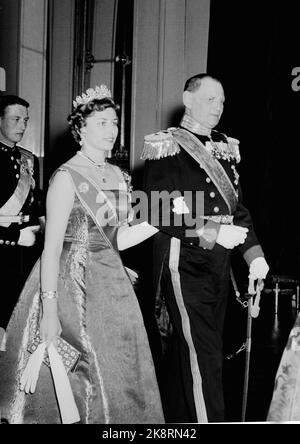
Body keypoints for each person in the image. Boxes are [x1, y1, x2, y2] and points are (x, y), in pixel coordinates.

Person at [0, 85, 164, 424]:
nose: (111, 130)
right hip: (70, 284)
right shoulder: (65, 177)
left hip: (113, 286)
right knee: (83, 374)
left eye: (114, 122)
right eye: (101, 122)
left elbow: (119, 238)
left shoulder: (118, 175)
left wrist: (162, 223)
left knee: (121, 367)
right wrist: (49, 309)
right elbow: (50, 247)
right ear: (81, 128)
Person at [141, 73, 270, 423]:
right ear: (188, 99)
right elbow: (154, 208)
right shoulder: (167, 145)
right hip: (185, 265)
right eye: (211, 99)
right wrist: (212, 230)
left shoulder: (224, 147)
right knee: (205, 359)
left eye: (222, 101)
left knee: (191, 357)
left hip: (218, 267)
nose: (219, 107)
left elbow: (237, 210)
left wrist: (254, 256)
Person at [0, 95, 44, 349]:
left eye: (25, 120)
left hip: (26, 254)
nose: (22, 126)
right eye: (15, 119)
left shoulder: (29, 159)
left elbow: (37, 204)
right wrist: (15, 237)